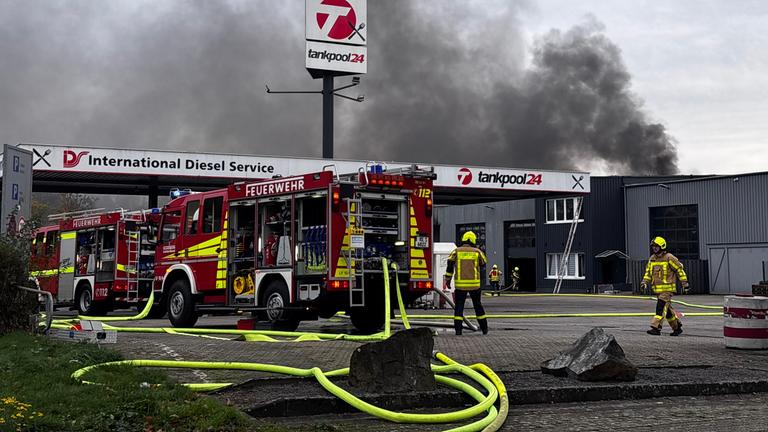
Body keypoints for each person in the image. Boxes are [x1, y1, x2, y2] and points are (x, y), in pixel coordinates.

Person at [642, 236, 689, 336]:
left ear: (662, 247)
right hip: (658, 291)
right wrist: (644, 282)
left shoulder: (669, 258)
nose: (654, 248)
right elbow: (648, 273)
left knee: (660, 307)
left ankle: (656, 328)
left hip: (667, 290)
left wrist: (685, 284)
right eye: (653, 246)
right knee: (667, 311)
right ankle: (677, 328)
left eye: (656, 246)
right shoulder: (652, 259)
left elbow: (679, 270)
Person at [444, 231, 488, 335]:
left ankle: (458, 331)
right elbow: (484, 264)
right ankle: (484, 329)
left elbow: (449, 266)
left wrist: (448, 280)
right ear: (473, 240)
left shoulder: (456, 252)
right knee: (478, 306)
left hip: (460, 286)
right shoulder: (478, 252)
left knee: (459, 307)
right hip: (474, 285)